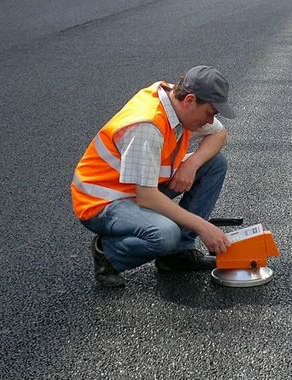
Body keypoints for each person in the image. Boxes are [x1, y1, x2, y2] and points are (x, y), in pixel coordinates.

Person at [71, 66, 236, 287]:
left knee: (214, 164)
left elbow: (220, 134)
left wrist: (192, 164)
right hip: (103, 201)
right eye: (209, 113)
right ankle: (108, 255)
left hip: (139, 185)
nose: (209, 121)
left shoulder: (175, 103)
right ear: (189, 100)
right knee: (165, 233)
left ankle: (177, 255)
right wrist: (203, 226)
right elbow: (147, 197)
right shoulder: (147, 126)